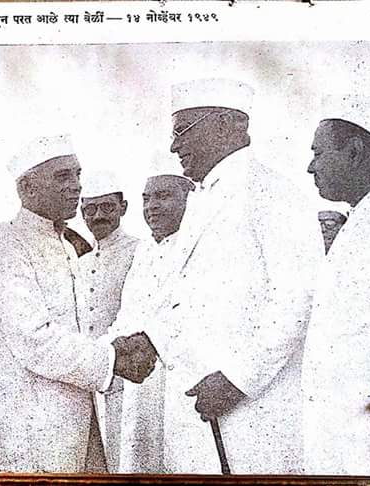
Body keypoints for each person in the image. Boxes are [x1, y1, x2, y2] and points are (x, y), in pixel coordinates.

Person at [117, 78, 322, 474]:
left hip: (251, 413)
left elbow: (297, 299)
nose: (173, 146)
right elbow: (185, 295)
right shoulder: (201, 199)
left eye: (182, 131)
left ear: (226, 124)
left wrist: (237, 380)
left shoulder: (273, 192)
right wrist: (149, 340)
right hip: (197, 411)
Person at [0, 134, 157, 473]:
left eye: (77, 174)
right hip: (19, 421)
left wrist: (115, 347)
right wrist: (112, 359)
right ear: (27, 188)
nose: (76, 185)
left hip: (70, 414)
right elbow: (34, 340)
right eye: (63, 176)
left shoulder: (66, 245)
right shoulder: (7, 245)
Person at [302, 97, 370, 475]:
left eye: (318, 153)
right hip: (347, 440)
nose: (310, 166)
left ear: (355, 152)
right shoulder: (362, 217)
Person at [113, 163, 195, 472]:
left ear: (188, 198)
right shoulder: (145, 250)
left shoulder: (198, 244)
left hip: (179, 378)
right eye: (147, 199)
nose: (152, 207)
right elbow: (128, 314)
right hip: (139, 379)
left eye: (162, 196)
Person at [77, 170, 139, 472]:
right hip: (89, 376)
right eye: (90, 209)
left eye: (107, 207)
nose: (98, 216)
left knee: (126, 457)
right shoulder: (81, 263)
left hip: (127, 375)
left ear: (123, 208)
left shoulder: (139, 251)